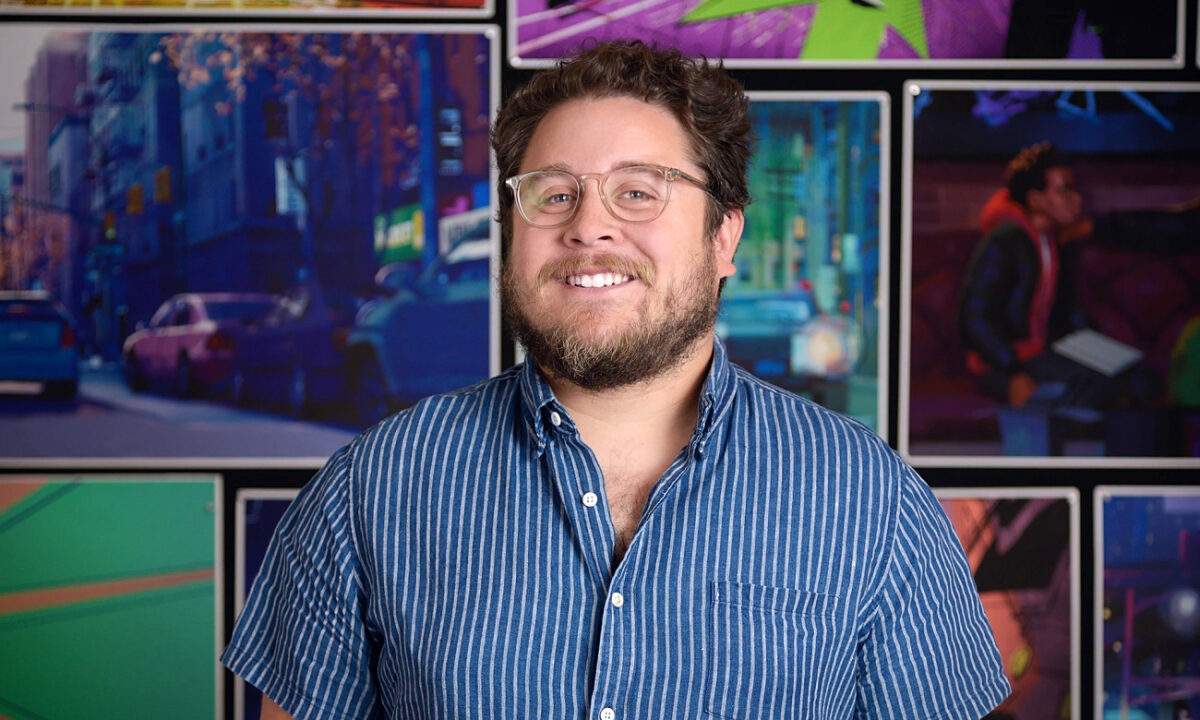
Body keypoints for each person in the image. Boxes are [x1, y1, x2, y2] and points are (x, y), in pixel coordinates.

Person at [223, 41, 1010, 719]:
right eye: (553, 194)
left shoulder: (869, 498)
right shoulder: (372, 488)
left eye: (639, 191)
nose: (589, 225)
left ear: (724, 235)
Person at [959, 142, 1198, 415]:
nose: (1077, 199)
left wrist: (1096, 348)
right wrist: (1012, 371)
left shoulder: (1056, 242)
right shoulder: (1006, 241)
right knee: (1116, 389)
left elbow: (1066, 315)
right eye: (1065, 190)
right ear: (1036, 199)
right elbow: (974, 317)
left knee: (1141, 380)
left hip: (1045, 352)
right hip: (1010, 362)